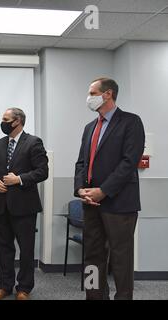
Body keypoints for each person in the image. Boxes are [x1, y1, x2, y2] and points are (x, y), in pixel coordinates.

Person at [74, 78, 145, 300]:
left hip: (119, 203)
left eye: (92, 92)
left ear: (108, 94)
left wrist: (103, 190)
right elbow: (81, 163)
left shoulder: (131, 122)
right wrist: (80, 190)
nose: (88, 97)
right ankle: (94, 296)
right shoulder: (89, 127)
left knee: (120, 258)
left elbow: (129, 162)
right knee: (91, 256)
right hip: (91, 203)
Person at [0, 108, 48, 300]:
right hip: (2, 206)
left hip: (25, 207)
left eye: (5, 119)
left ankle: (24, 288)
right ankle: (4, 286)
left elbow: (42, 171)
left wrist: (19, 179)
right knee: (4, 248)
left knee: (26, 250)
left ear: (17, 121)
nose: (2, 122)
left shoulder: (34, 142)